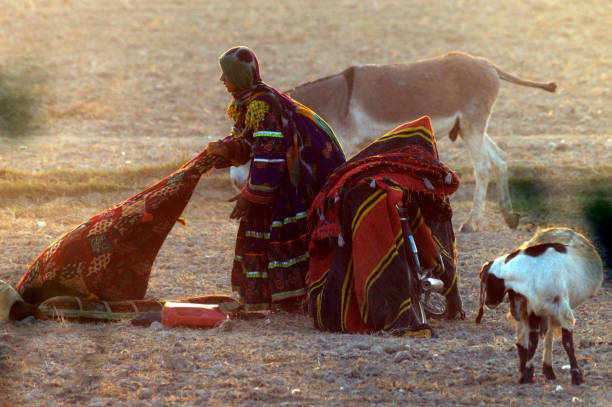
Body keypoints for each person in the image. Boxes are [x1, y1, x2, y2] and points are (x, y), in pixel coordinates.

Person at [206, 46, 345, 312]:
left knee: (268, 219)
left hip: (304, 172)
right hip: (291, 167)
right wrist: (224, 150)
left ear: (240, 76)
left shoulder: (261, 103)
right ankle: (286, 296)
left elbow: (268, 154)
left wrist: (250, 195)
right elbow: (249, 139)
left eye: (226, 74)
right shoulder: (248, 99)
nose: (222, 80)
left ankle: (290, 297)